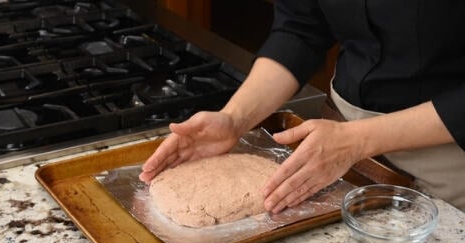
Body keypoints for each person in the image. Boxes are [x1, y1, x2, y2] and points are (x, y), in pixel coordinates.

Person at [138, 1, 465, 212]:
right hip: (332, 151)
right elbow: (301, 27)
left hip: (445, 161)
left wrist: (357, 140)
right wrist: (235, 117)